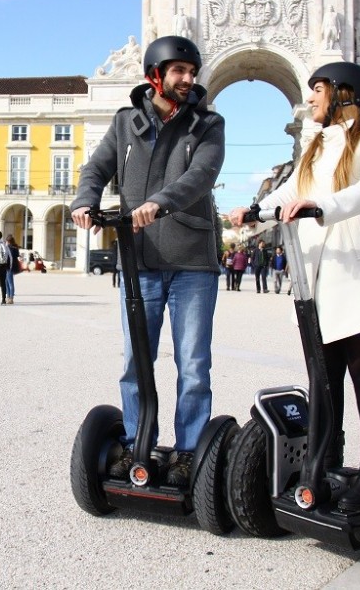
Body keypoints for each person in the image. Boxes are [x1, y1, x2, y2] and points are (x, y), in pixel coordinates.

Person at [230, 61, 360, 511]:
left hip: (357, 274)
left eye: (317, 89)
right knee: (322, 380)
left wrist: (321, 205)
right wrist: (255, 209)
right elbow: (291, 191)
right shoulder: (316, 144)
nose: (309, 99)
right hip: (316, 278)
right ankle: (323, 464)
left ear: (345, 93)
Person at [71, 35, 225, 487]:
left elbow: (201, 175)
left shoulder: (207, 124)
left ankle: (189, 452)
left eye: (192, 72)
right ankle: (139, 442)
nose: (187, 79)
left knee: (193, 363)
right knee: (135, 361)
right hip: (139, 263)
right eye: (178, 71)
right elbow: (96, 168)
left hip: (193, 263)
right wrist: (85, 200)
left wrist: (160, 202)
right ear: (155, 75)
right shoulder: (125, 124)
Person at [5, 234, 21, 304]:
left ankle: (10, 297)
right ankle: (9, 297)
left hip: (8, 266)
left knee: (9, 282)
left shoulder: (8, 248)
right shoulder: (15, 248)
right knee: (8, 282)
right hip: (12, 266)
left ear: (8, 241)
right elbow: (17, 256)